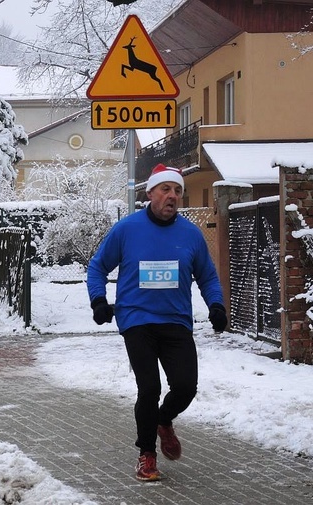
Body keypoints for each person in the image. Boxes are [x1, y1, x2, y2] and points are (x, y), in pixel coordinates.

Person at [87, 163, 227, 482]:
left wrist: (216, 305)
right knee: (148, 388)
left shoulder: (191, 234)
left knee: (185, 387)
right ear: (150, 193)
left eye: (177, 190)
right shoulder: (127, 229)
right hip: (137, 320)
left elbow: (207, 276)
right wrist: (98, 300)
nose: (172, 196)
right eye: (166, 189)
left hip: (176, 321)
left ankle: (164, 421)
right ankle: (147, 454)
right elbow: (97, 267)